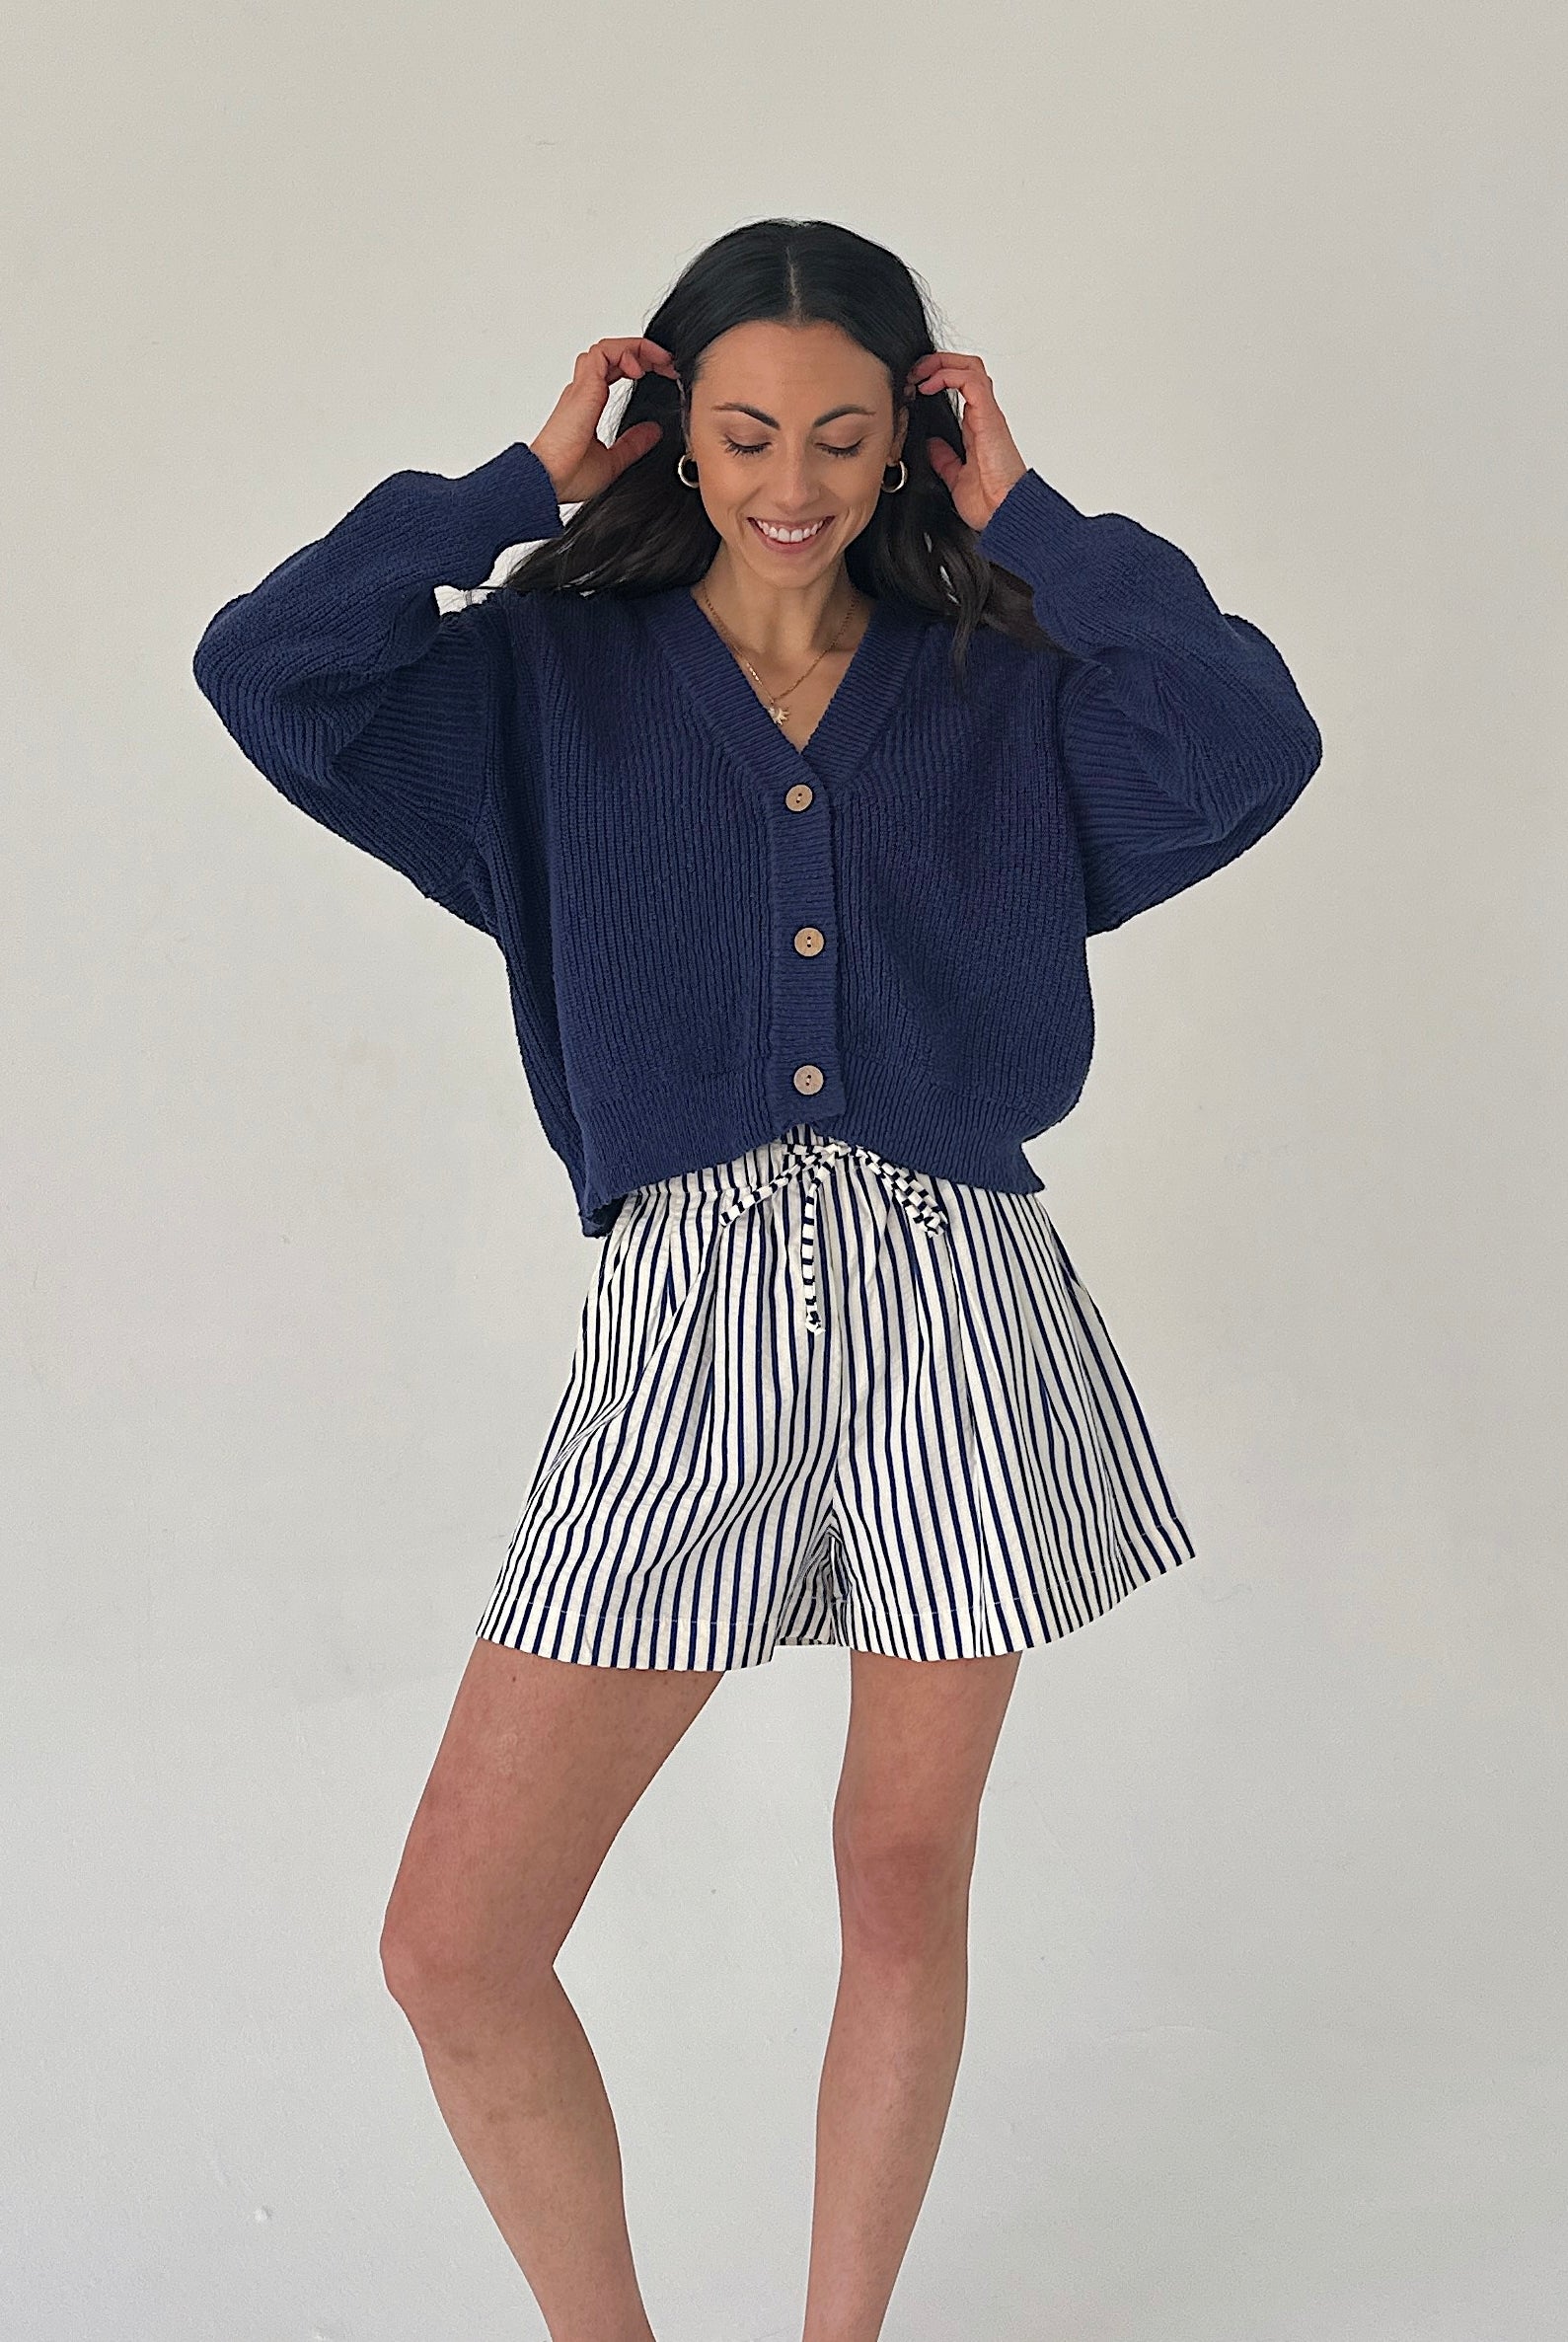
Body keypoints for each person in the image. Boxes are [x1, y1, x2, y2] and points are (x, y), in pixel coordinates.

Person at [191, 215, 1321, 2342]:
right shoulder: (542, 687)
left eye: (840, 432)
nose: (789, 479)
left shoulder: (1000, 690)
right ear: (670, 431)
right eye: (738, 433)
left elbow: (1246, 745)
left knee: (899, 1876)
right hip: (686, 1321)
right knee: (455, 1943)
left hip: (958, 1311)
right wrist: (516, 485)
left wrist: (1039, 522)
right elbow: (269, 667)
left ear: (912, 435)